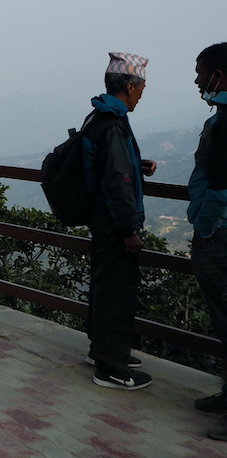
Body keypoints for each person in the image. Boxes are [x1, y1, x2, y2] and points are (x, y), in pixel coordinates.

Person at [83, 52, 157, 390]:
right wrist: (128, 230)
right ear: (129, 85)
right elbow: (116, 180)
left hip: (100, 219)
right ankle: (111, 368)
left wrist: (136, 164)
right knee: (117, 291)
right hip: (114, 223)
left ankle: (102, 351)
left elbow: (111, 166)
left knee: (104, 286)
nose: (142, 94)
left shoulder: (99, 116)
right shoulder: (114, 123)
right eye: (141, 88)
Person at [188, 42, 227, 441]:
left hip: (220, 235)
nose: (197, 80)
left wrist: (204, 226)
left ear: (219, 74)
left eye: (201, 72)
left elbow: (220, 186)